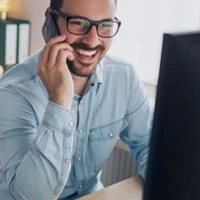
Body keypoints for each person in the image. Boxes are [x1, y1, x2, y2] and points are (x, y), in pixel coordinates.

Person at [0, 0, 152, 199]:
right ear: (51, 21)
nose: (92, 40)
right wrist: (59, 101)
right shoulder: (12, 93)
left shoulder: (124, 77)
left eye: (105, 25)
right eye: (79, 23)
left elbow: (151, 146)